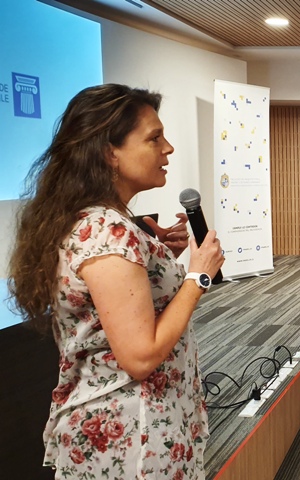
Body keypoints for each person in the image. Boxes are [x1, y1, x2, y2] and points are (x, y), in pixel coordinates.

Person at [8, 84, 225, 478]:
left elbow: (119, 304)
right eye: (154, 138)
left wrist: (160, 260)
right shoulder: (109, 232)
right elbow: (140, 356)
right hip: (132, 434)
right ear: (110, 153)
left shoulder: (102, 222)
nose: (168, 148)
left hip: (128, 427)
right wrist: (199, 274)